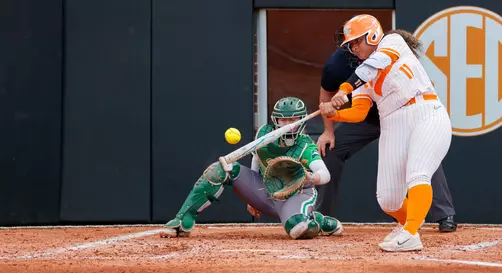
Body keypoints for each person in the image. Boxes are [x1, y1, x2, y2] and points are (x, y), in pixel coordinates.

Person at [319, 15, 452, 251]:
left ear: (371, 35)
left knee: (418, 174)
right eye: (350, 44)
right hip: (393, 122)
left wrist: (345, 88)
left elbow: (374, 66)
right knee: (388, 199)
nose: (353, 47)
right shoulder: (363, 74)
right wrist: (333, 114)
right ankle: (409, 222)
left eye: (356, 41)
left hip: (423, 110)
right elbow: (359, 112)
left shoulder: (392, 42)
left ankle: (411, 232)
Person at [161, 97, 343, 240]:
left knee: (297, 228)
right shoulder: (265, 133)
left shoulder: (305, 145)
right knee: (220, 168)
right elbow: (257, 159)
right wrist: (252, 196)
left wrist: (310, 178)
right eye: (283, 119)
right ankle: (182, 220)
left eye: (293, 119)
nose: (287, 124)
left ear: (302, 120)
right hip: (268, 190)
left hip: (296, 194)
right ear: (275, 120)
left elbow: (325, 175)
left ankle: (316, 220)